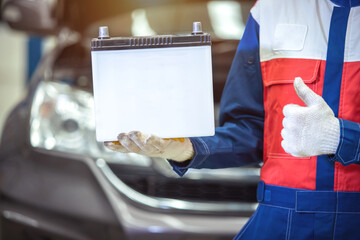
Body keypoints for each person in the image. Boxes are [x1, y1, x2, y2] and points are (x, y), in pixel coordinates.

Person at [105, 0, 360, 239]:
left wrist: (340, 138)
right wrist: (187, 147)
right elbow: (251, 129)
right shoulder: (272, 10)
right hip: (280, 218)